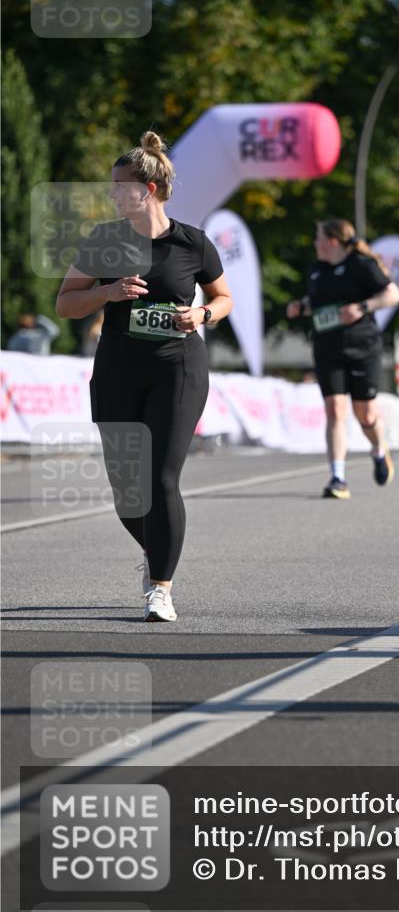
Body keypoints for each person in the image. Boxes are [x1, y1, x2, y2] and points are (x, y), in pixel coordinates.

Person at [56, 131, 233, 622]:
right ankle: (159, 550)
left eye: (120, 186)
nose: (113, 194)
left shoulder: (192, 243)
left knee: (160, 478)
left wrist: (202, 316)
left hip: (177, 368)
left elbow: (223, 298)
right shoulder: (105, 240)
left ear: (148, 190)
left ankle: (160, 586)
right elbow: (66, 302)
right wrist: (108, 293)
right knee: (128, 494)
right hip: (118, 369)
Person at [286, 218, 399, 498]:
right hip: (328, 348)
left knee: (366, 414)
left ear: (333, 241)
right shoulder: (317, 270)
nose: (315, 243)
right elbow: (318, 301)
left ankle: (378, 449)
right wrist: (300, 306)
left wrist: (363, 307)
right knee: (335, 410)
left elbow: (393, 294)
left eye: (319, 237)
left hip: (362, 347)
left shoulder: (362, 264)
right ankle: (338, 477)